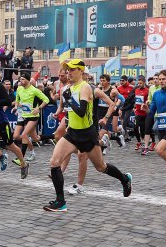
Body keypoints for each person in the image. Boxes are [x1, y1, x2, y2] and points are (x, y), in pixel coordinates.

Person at [45, 59, 132, 212]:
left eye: (72, 70)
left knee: (101, 167)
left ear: (81, 71)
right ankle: (60, 201)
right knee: (54, 162)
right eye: (67, 70)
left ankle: (124, 179)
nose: (68, 73)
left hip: (87, 134)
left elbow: (81, 111)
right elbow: (68, 109)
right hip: (72, 133)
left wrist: (70, 98)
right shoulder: (67, 88)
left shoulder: (85, 88)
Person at [12, 72, 49, 163]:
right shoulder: (19, 89)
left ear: (28, 80)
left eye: (23, 79)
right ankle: (53, 136)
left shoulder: (34, 90)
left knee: (24, 134)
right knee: (20, 136)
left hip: (33, 116)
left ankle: (21, 159)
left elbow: (46, 100)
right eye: (20, 79)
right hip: (23, 116)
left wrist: (38, 108)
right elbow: (17, 100)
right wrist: (16, 107)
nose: (21, 81)